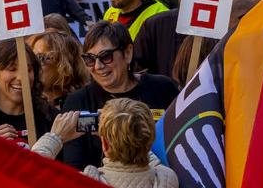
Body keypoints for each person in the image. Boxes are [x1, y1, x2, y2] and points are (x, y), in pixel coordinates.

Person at [0, 39, 81, 188]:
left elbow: (69, 176)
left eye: (28, 69)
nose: (21, 77)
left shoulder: (49, 117)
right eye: (12, 69)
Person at [62, 21, 178, 170]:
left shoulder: (164, 88)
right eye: (90, 59)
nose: (98, 66)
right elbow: (74, 166)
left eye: (106, 57)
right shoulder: (78, 101)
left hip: (158, 185)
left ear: (128, 53)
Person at [83, 98, 178, 188]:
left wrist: (58, 137)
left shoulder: (86, 185)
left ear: (104, 143)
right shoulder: (166, 181)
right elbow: (147, 153)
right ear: (150, 138)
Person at [29, 30, 88, 110]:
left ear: (65, 64)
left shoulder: (86, 102)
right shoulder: (26, 103)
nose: (33, 65)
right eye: (32, 58)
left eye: (41, 57)